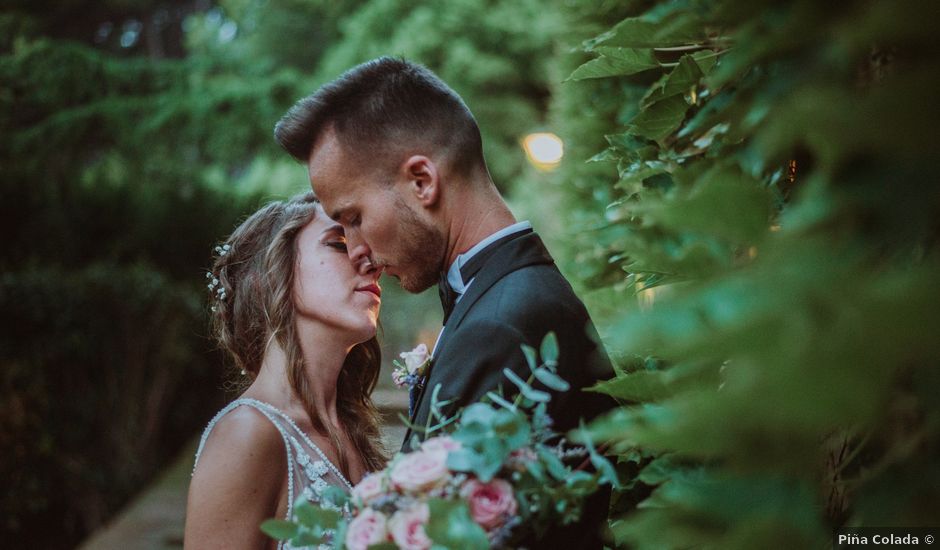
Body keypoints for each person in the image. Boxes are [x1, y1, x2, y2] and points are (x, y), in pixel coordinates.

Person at [275, 57, 615, 548]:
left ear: (422, 181)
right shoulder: (503, 301)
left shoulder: (503, 325)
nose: (356, 253)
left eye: (353, 218)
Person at [184, 193, 386, 549]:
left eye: (370, 247)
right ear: (269, 275)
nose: (372, 262)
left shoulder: (354, 433)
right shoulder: (247, 435)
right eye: (339, 245)